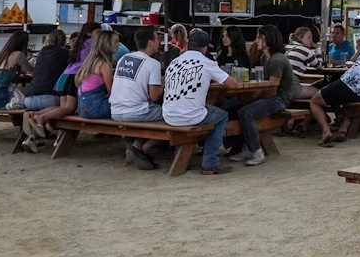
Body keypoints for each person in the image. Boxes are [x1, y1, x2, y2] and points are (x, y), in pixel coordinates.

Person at [162, 28, 239, 175]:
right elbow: (233, 85)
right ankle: (210, 163)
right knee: (221, 115)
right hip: (192, 115)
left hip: (168, 114)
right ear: (204, 49)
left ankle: (180, 157)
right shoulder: (207, 62)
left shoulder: (174, 62)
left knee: (189, 109)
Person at [233, 25, 300, 166]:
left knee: (246, 112)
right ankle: (248, 147)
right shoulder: (266, 58)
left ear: (268, 39)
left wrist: (253, 101)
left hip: (280, 99)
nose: (255, 41)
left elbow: (272, 89)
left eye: (259, 37)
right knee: (241, 109)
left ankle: (256, 152)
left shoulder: (276, 60)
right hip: (274, 97)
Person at [110, 27, 166, 170]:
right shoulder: (152, 64)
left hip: (115, 110)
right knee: (173, 115)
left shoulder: (124, 58)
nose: (159, 41)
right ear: (150, 42)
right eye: (157, 38)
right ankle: (141, 149)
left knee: (154, 113)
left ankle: (136, 147)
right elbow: (154, 96)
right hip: (135, 111)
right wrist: (164, 82)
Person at [0, 30, 33, 111]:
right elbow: (32, 72)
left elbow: (23, 70)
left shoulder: (3, 54)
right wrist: (34, 59)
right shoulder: (18, 54)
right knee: (28, 97)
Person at [76, 31, 119, 119]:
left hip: (83, 107)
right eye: (116, 41)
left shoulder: (91, 61)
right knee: (129, 109)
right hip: (95, 108)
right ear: (107, 44)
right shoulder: (104, 64)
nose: (118, 44)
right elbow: (112, 91)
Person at [25, 29, 69, 112]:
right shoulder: (66, 53)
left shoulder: (42, 52)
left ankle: (35, 118)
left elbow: (30, 66)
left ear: (48, 40)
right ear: (63, 41)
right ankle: (39, 117)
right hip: (50, 98)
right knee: (68, 107)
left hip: (29, 99)